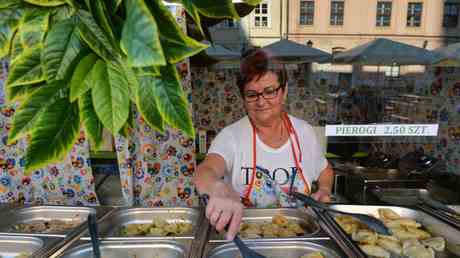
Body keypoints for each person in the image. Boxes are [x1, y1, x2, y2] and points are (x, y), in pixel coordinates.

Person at [192, 49, 334, 241]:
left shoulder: (304, 133)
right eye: (252, 94)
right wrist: (216, 188)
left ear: (283, 92)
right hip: (247, 240)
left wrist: (324, 190)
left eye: (269, 91)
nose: (261, 101)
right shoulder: (231, 136)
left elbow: (325, 170)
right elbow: (206, 170)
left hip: (299, 237)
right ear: (243, 98)